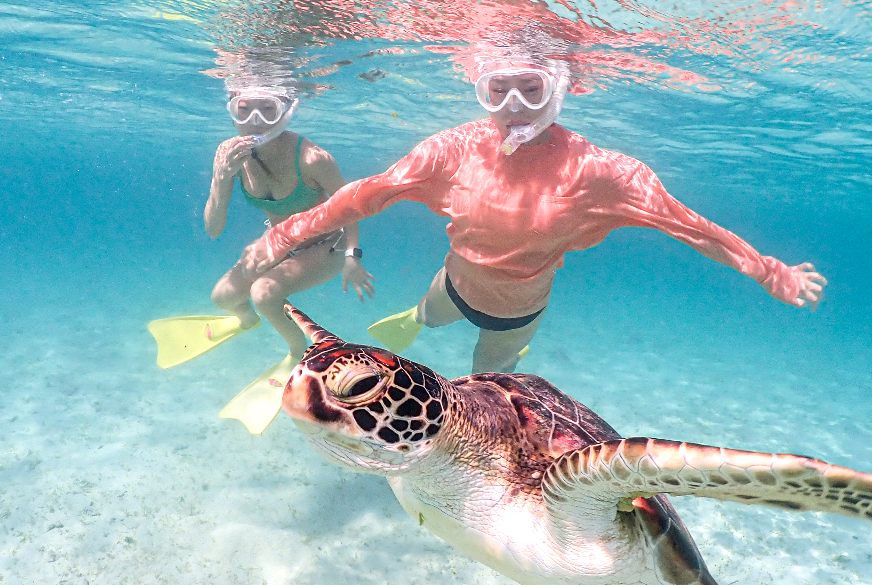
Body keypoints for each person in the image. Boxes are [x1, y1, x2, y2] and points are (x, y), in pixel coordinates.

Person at [238, 52, 826, 375]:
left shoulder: (601, 172)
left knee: (485, 380)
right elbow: (364, 195)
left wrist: (769, 270)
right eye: (499, 91)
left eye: (532, 90)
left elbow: (690, 228)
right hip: (452, 285)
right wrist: (288, 230)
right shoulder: (452, 148)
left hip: (518, 313)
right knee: (431, 315)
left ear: (561, 89)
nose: (513, 108)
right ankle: (417, 319)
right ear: (480, 88)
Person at [149, 83, 374, 433]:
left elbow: (350, 206)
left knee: (264, 293)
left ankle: (298, 350)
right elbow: (213, 229)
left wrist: (352, 257)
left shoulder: (313, 159)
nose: (255, 121)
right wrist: (222, 179)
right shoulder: (228, 156)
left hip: (326, 245)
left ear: (286, 111)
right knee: (223, 297)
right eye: (244, 110)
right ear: (231, 111)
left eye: (267, 110)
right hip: (279, 241)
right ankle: (246, 321)